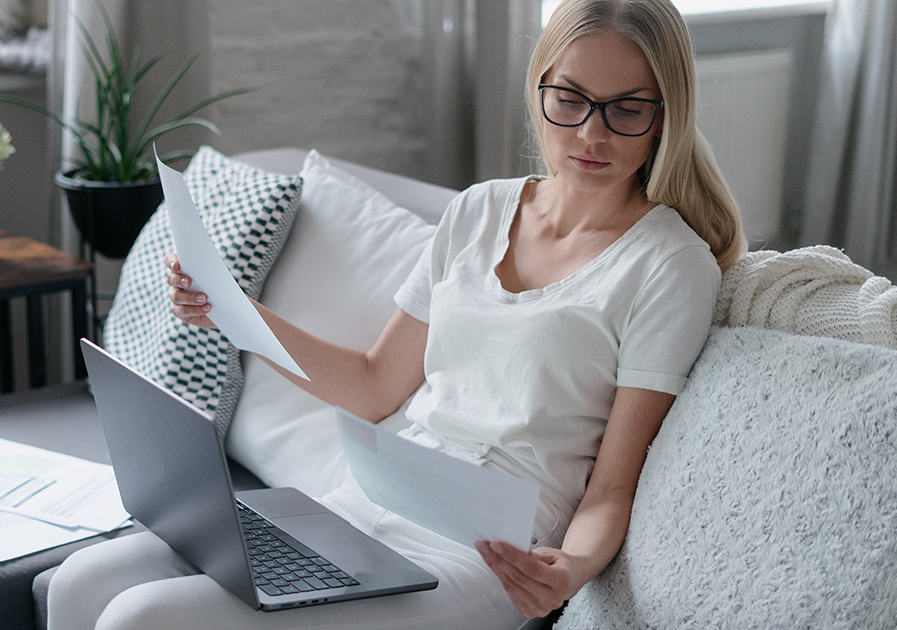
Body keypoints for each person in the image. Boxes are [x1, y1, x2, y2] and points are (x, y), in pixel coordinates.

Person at [47, 0, 745, 628]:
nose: (592, 133)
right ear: (540, 90)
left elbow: (613, 486)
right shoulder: (479, 210)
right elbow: (377, 383)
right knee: (81, 583)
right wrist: (235, 316)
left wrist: (572, 569)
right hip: (365, 498)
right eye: (571, 99)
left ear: (665, 115)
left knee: (141, 619)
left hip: (483, 551)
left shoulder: (667, 264)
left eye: (626, 109)